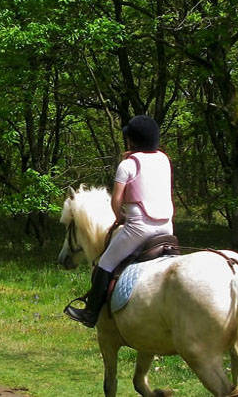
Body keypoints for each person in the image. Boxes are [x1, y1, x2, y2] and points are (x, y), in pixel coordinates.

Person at [65, 114, 174, 327]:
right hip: (166, 226)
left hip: (139, 228)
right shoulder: (164, 159)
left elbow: (116, 202)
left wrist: (120, 218)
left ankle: (90, 313)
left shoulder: (127, 165)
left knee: (105, 263)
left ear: (132, 140)